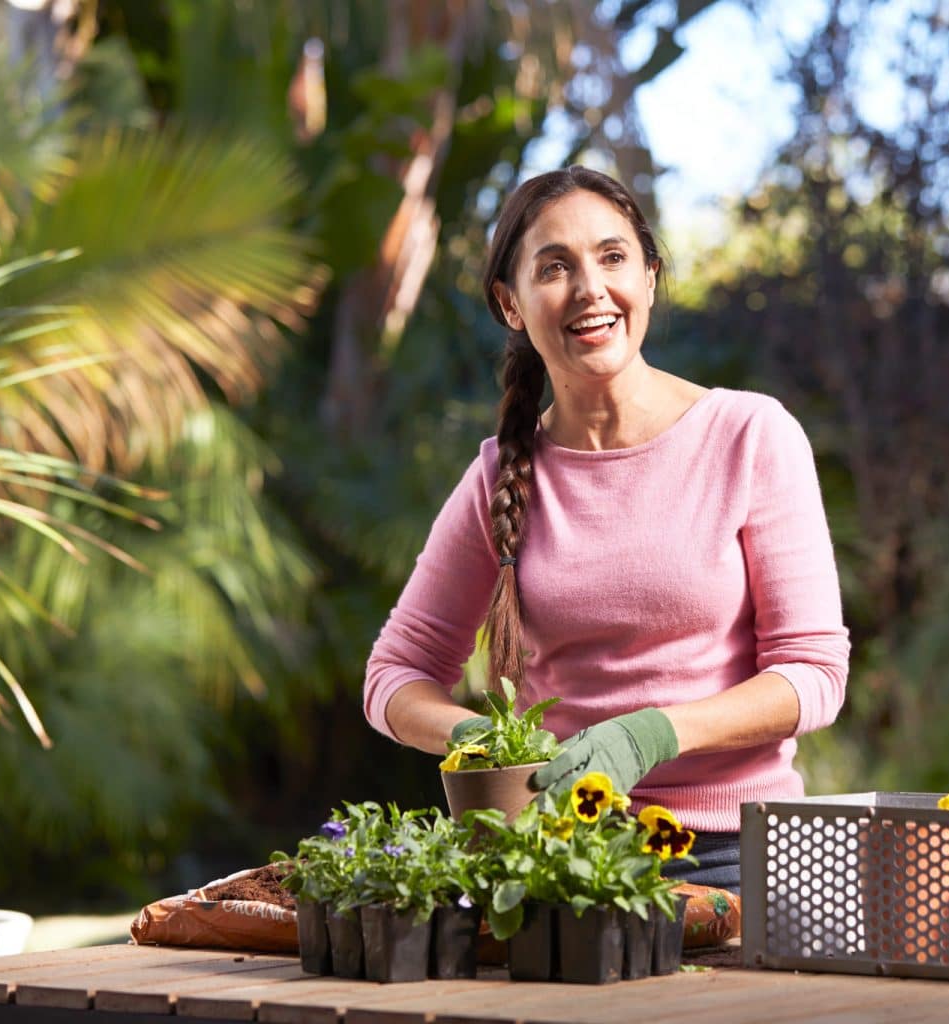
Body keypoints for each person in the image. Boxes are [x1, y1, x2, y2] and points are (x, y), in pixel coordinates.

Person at [363, 166, 849, 891]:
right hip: (555, 861)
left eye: (613, 257)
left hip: (737, 861)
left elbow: (813, 675)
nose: (591, 288)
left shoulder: (750, 436)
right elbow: (393, 677)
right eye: (554, 267)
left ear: (650, 277)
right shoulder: (500, 476)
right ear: (511, 304)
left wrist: (654, 732)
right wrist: (482, 742)